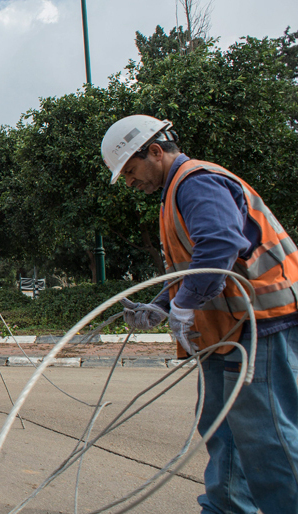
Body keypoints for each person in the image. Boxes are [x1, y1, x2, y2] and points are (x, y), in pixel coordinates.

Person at [102, 114, 298, 514]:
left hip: (261, 326)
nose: (129, 181)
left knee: (268, 440)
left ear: (155, 151)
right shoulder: (175, 192)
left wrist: (185, 304)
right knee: (223, 431)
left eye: (130, 170)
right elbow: (191, 267)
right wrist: (160, 307)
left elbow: (220, 242)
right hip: (226, 333)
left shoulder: (196, 182)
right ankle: (225, 508)